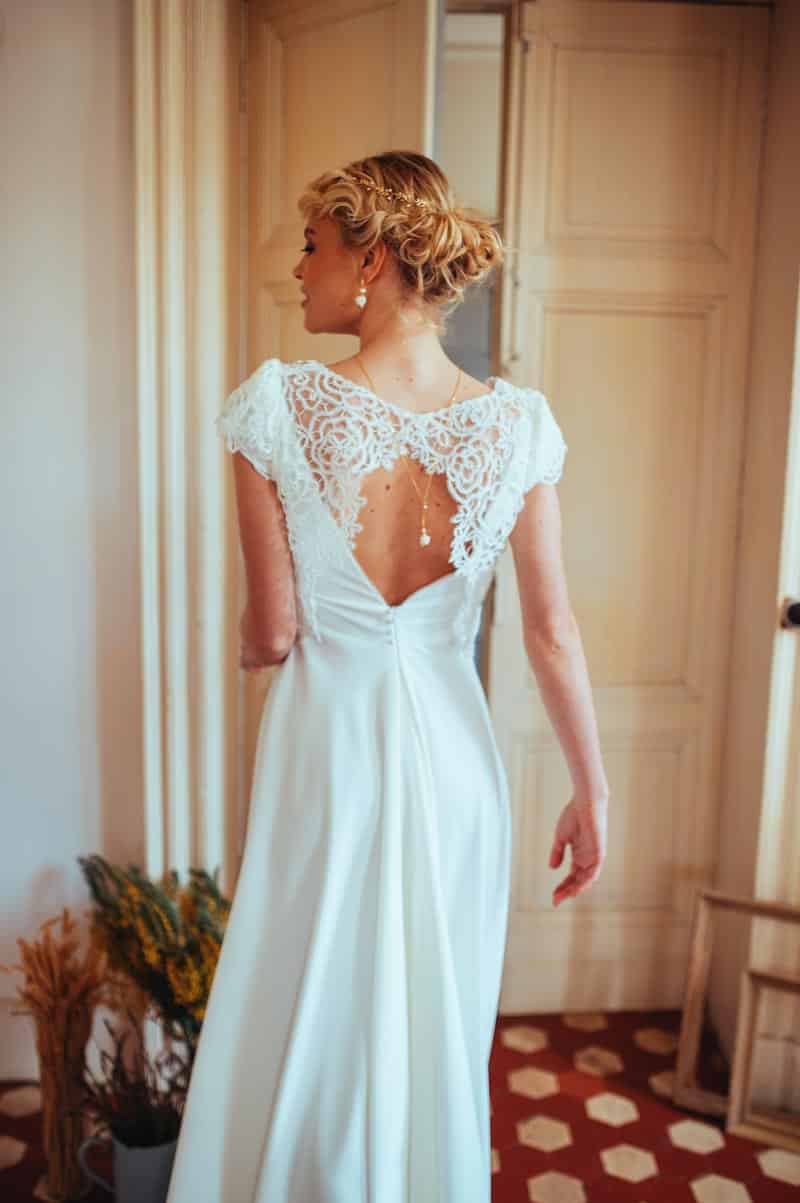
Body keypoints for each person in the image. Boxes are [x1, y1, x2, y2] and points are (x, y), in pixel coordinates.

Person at [165, 150, 609, 1203]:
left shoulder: (274, 408)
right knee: (428, 1019)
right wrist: (590, 790)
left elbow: (273, 632)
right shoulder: (518, 426)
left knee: (307, 1006)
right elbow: (551, 631)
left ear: (369, 259)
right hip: (454, 767)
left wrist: (251, 641)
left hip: (331, 753)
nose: (299, 269)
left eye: (312, 245)